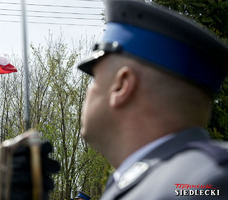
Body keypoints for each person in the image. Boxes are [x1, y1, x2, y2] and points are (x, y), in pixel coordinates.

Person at [76, 0, 228, 199]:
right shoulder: (146, 183)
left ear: (121, 86)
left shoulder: (209, 181)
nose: (89, 92)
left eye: (95, 78)